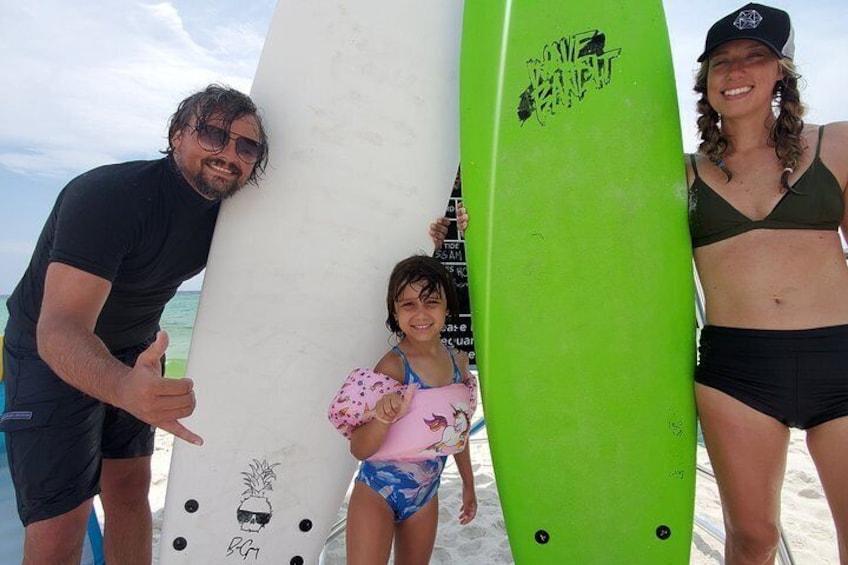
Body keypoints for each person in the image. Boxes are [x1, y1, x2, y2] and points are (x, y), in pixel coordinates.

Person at [0, 84, 268, 564]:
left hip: (135, 352)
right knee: (63, 519)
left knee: (128, 489)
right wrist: (122, 388)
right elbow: (57, 327)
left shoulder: (230, 218)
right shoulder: (109, 196)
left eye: (246, 146)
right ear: (176, 135)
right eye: (212, 134)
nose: (229, 153)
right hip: (50, 352)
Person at [687, 4, 848, 563]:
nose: (736, 73)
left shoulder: (837, 145)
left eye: (755, 57)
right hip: (739, 372)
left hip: (841, 358)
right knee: (752, 539)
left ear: (782, 70)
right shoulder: (680, 173)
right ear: (705, 80)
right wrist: (469, 225)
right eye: (721, 62)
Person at [328, 255, 477, 565]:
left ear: (447, 308)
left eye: (431, 302)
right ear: (395, 313)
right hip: (377, 491)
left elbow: (457, 433)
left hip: (426, 494)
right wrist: (382, 418)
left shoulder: (458, 362)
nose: (420, 313)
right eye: (408, 304)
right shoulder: (393, 367)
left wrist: (468, 484)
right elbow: (359, 449)